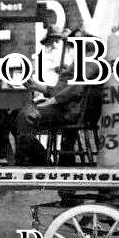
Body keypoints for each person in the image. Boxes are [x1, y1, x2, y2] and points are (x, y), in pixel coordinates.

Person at [15, 28, 104, 166]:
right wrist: (37, 86)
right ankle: (40, 160)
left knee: (25, 115)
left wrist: (52, 100)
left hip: (70, 111)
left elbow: (76, 88)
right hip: (68, 108)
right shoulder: (84, 60)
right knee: (23, 112)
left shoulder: (90, 60)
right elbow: (62, 90)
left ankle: (37, 161)